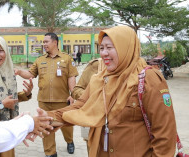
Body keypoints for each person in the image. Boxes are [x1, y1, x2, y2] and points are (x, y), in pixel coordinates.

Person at [43, 26, 177, 157]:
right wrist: (42, 119)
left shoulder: (148, 78)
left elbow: (165, 134)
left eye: (109, 48)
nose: (103, 53)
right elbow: (80, 107)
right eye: (101, 48)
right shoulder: (100, 78)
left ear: (125, 48)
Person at [15, 32, 78, 157]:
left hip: (62, 100)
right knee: (46, 127)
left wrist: (73, 94)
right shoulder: (40, 60)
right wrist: (19, 72)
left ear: (55, 42)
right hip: (44, 101)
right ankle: (50, 153)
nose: (44, 44)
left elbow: (71, 77)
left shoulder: (66, 58)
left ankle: (69, 141)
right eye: (43, 42)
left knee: (66, 126)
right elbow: (30, 74)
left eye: (46, 42)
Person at [71, 58, 105, 154]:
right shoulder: (95, 65)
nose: (105, 52)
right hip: (94, 121)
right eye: (102, 48)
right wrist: (92, 95)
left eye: (109, 47)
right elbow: (76, 90)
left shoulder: (137, 68)